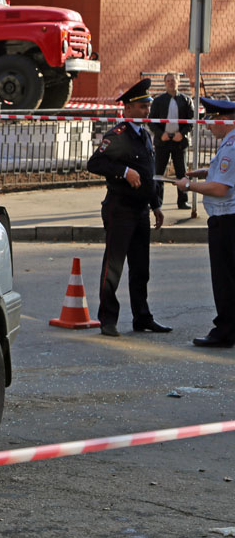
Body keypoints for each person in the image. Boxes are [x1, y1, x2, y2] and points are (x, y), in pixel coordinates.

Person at [87, 78, 170, 338]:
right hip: (120, 208)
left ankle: (142, 317)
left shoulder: (144, 135)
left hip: (141, 210)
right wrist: (123, 171)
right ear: (128, 109)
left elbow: (148, 173)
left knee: (141, 268)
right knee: (114, 266)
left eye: (148, 106)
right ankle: (108, 320)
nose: (147, 111)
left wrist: (155, 204)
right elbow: (95, 164)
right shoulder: (119, 135)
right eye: (142, 107)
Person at [173, 96, 235, 347]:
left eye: (210, 120)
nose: (208, 126)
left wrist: (189, 186)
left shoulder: (231, 145)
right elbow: (223, 176)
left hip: (227, 222)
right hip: (228, 220)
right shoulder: (229, 142)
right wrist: (204, 173)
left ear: (223, 121)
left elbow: (220, 189)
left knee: (225, 280)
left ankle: (225, 331)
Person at [149, 72, 194, 209]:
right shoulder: (158, 101)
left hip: (180, 142)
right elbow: (151, 121)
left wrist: (182, 133)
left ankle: (182, 201)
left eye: (173, 80)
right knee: (158, 174)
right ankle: (157, 202)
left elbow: (191, 121)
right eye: (168, 81)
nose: (171, 83)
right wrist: (160, 133)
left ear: (178, 82)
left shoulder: (186, 100)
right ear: (165, 83)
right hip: (162, 141)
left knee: (182, 173)